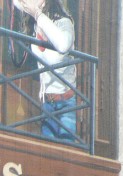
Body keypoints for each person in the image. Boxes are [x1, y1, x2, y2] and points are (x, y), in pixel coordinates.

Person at [14, 0, 77, 140]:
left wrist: (38, 14)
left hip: (66, 102)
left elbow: (63, 44)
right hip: (48, 102)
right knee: (48, 150)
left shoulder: (63, 23)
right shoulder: (36, 26)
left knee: (67, 151)